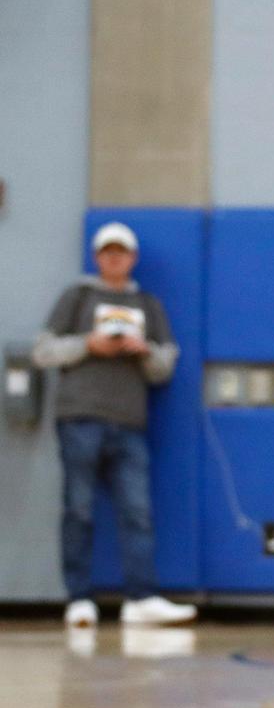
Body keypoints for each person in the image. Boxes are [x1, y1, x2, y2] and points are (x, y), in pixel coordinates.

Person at [33, 222, 198, 629]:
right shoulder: (78, 297)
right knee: (79, 509)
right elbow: (43, 351)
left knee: (137, 512)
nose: (114, 258)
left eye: (121, 252)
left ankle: (141, 597)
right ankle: (79, 600)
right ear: (96, 257)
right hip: (79, 418)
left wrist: (142, 351)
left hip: (129, 422)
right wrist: (88, 344)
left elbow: (164, 367)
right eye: (107, 252)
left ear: (132, 258)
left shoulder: (148, 303)